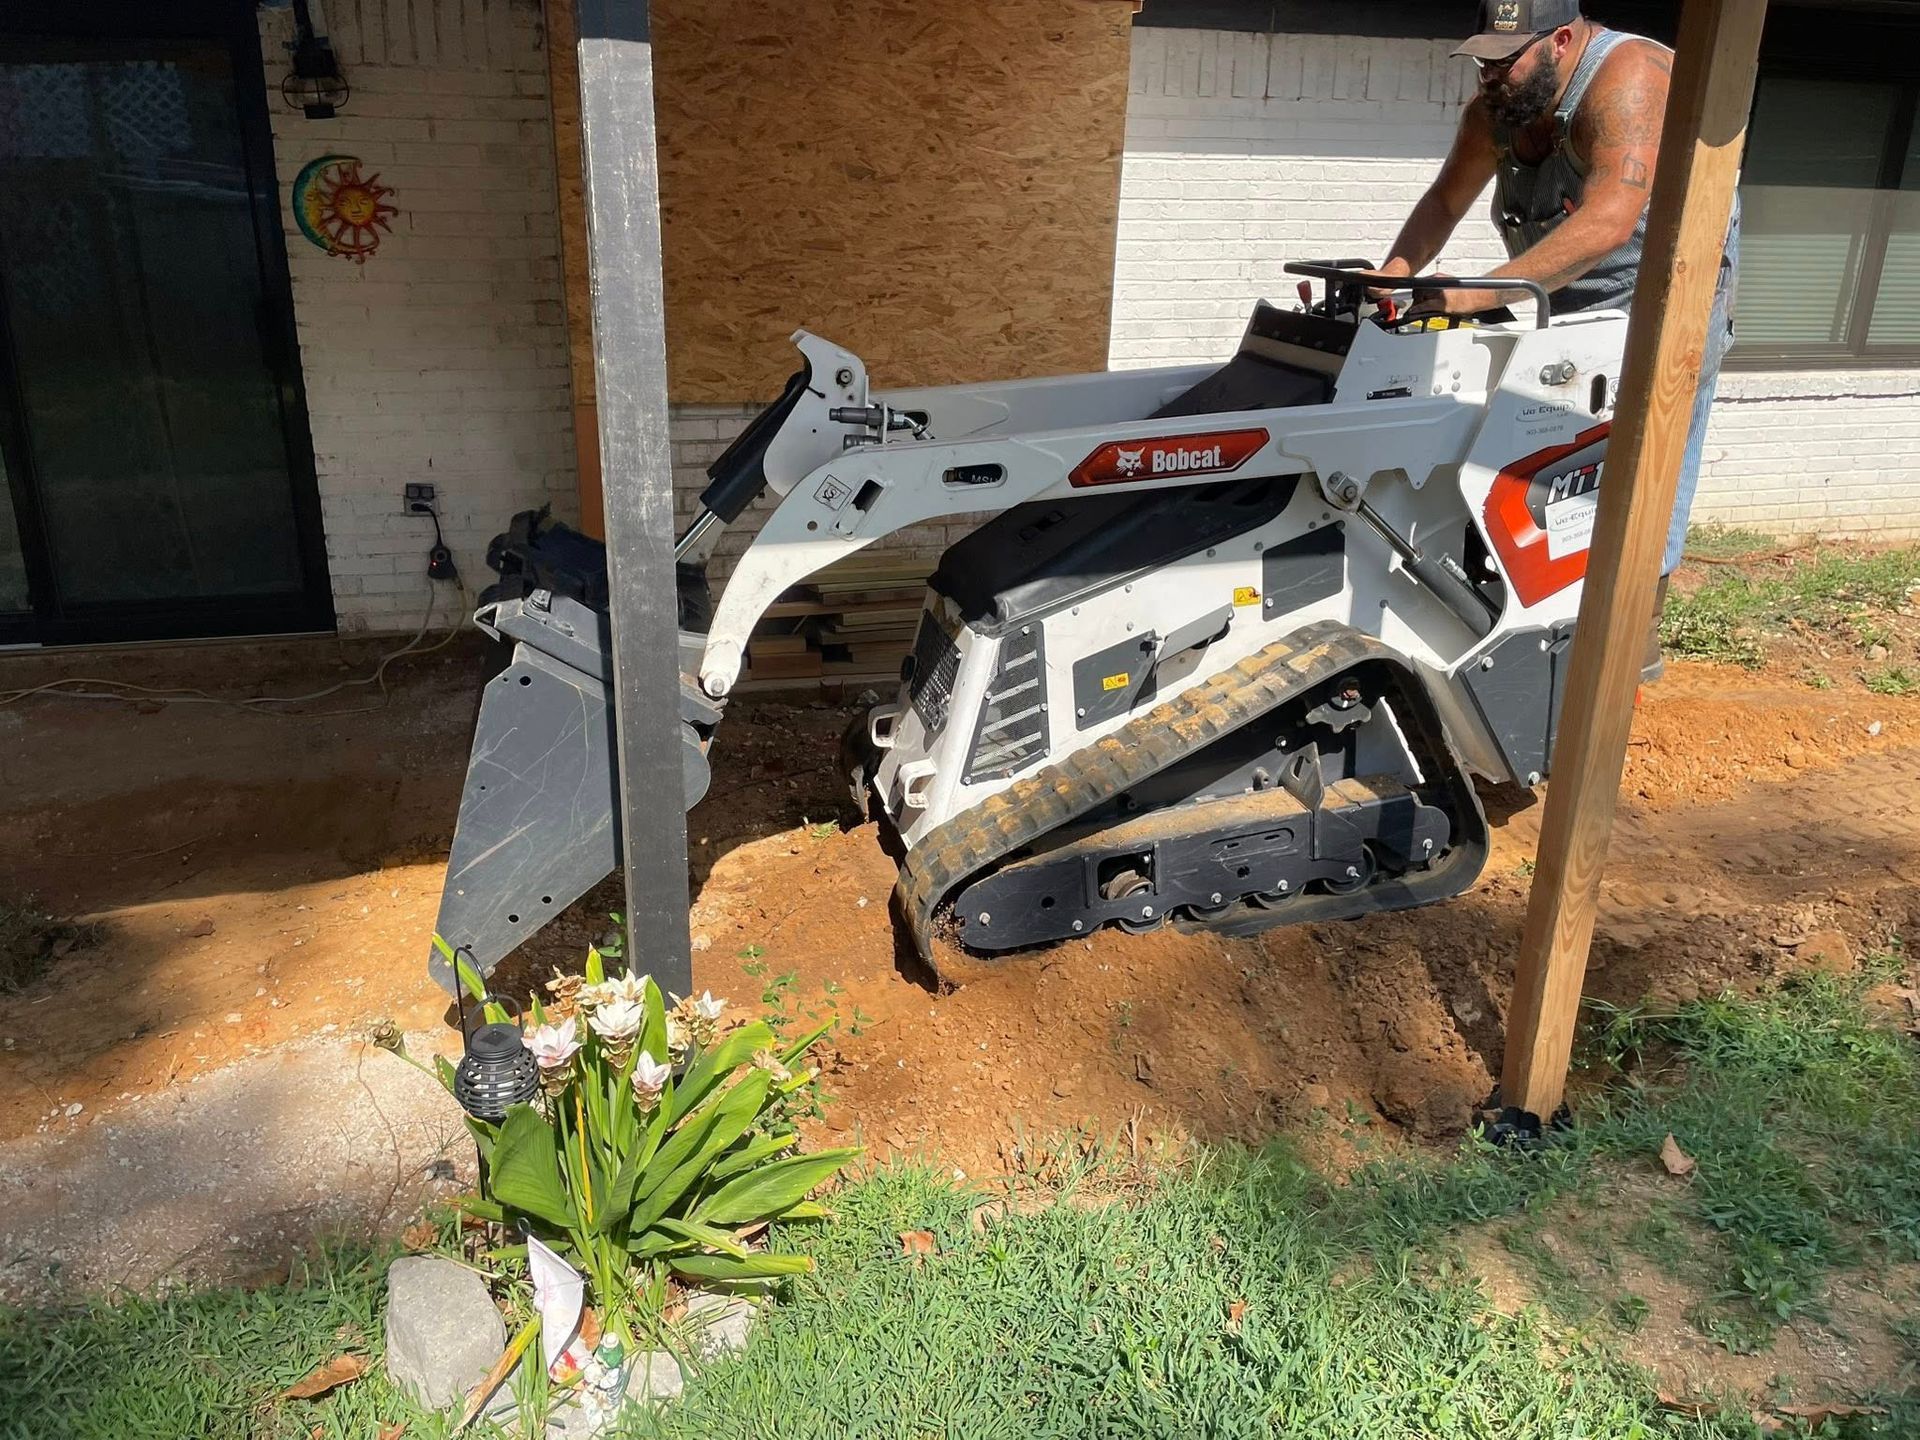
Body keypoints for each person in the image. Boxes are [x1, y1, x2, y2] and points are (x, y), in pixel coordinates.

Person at [1372, 0, 1739, 680]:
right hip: (1558, 287)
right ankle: (1535, 614)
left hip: (1662, 296)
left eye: (1505, 61)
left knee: (1644, 461)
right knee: (1541, 444)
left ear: (1562, 40)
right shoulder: (1497, 111)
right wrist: (1395, 276)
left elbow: (1606, 222)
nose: (1490, 76)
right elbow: (1443, 203)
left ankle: (1632, 632)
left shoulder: (1628, 80)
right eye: (1482, 61)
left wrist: (1474, 295)